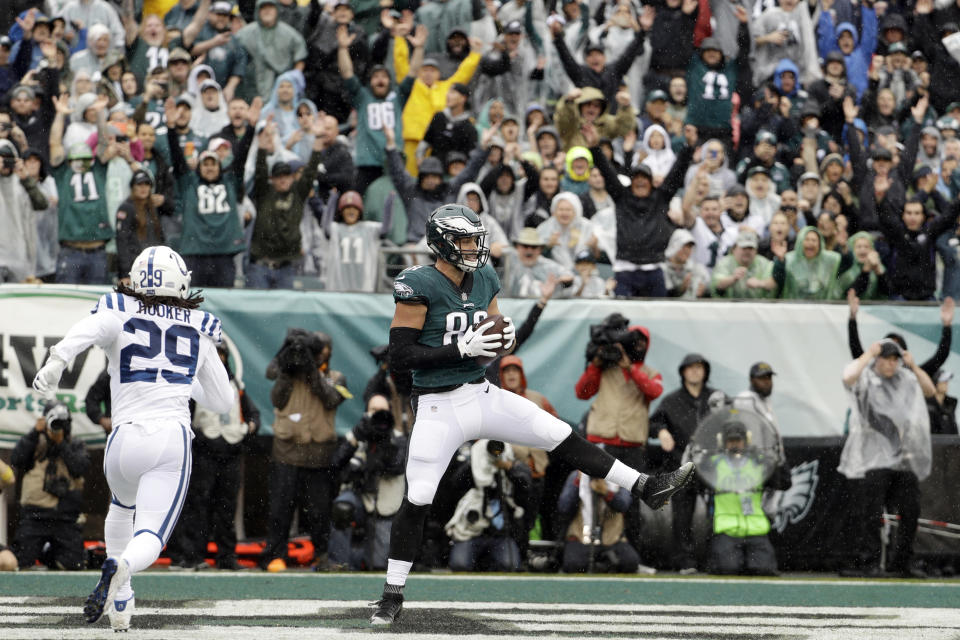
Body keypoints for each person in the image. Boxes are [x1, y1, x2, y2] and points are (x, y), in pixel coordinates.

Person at [368, 204, 694, 625]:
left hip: (482, 392)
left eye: (474, 239)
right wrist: (460, 349)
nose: (473, 248)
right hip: (437, 404)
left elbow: (502, 333)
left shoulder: (484, 275)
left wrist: (501, 336)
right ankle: (392, 593)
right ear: (443, 244)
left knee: (558, 432)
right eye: (465, 241)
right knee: (419, 496)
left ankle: (647, 486)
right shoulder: (418, 284)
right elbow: (400, 356)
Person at [31, 245, 234, 631]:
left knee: (121, 507)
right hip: (169, 437)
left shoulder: (118, 310)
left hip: (122, 440)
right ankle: (122, 566)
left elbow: (88, 331)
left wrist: (57, 360)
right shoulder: (198, 325)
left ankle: (121, 600)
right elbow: (223, 400)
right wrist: (183, 382)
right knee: (150, 537)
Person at [839, 340, 935, 578]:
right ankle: (869, 562)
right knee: (871, 514)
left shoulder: (905, 378)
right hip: (874, 459)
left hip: (902, 458)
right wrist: (869, 354)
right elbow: (848, 378)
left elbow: (930, 391)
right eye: (886, 359)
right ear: (877, 359)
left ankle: (901, 562)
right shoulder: (866, 377)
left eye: (895, 360)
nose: (892, 364)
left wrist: (914, 366)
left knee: (910, 510)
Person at [262, 329, 348, 572]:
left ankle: (323, 555)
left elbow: (330, 398)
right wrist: (286, 363)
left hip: (319, 456)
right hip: (286, 453)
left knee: (320, 512)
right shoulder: (289, 373)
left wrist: (312, 371)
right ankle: (275, 555)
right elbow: (276, 398)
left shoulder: (336, 377)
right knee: (280, 508)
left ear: (327, 352)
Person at [171, 342, 260, 570]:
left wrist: (249, 428)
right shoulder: (195, 384)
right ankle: (194, 555)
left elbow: (253, 414)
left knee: (226, 508)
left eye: (222, 355)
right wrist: (199, 437)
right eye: (215, 355)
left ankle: (226, 556)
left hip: (230, 453)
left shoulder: (236, 385)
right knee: (198, 505)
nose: (219, 359)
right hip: (204, 453)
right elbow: (182, 415)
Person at [649, 354, 723, 573]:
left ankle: (715, 560)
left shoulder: (716, 399)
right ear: (682, 372)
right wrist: (661, 432)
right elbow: (653, 422)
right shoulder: (672, 401)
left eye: (699, 367)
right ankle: (685, 561)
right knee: (682, 517)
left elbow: (732, 420)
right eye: (689, 368)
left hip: (713, 466)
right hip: (682, 464)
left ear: (705, 372)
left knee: (718, 514)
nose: (694, 372)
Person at [10, 401, 89, 571]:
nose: (58, 426)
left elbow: (80, 468)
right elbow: (16, 460)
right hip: (35, 514)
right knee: (19, 561)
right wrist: (34, 433)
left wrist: (61, 444)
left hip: (65, 517)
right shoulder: (35, 441)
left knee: (74, 564)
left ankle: (48, 552)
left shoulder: (75, 444)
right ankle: (39, 548)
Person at [847, 291, 954, 381]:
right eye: (887, 355)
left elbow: (940, 357)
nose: (891, 363)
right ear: (879, 356)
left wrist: (947, 326)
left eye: (895, 357)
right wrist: (852, 317)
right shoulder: (872, 375)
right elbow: (856, 352)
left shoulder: (911, 377)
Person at [928, 370, 959, 435]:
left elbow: (954, 430)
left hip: (950, 444)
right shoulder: (927, 405)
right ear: (935, 383)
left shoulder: (950, 405)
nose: (946, 383)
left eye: (947, 381)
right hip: (933, 444)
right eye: (943, 381)